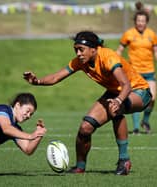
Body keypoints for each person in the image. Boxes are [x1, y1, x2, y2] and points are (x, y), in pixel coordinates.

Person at [23, 31, 151, 175]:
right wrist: (37, 81)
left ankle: (124, 160)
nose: (78, 53)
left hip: (139, 91)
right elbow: (56, 77)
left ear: (93, 49)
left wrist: (118, 100)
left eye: (81, 49)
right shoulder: (80, 62)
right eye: (76, 50)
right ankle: (80, 167)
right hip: (115, 93)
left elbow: (126, 85)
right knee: (85, 127)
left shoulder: (109, 57)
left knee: (115, 108)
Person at [116, 1, 157, 134]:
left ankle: (145, 120)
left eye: (143, 21)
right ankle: (135, 128)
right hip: (135, 73)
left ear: (146, 22)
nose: (140, 23)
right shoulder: (128, 34)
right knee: (136, 99)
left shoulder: (152, 35)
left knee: (152, 98)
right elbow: (119, 50)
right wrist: (115, 64)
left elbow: (156, 51)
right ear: (135, 21)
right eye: (138, 20)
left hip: (149, 71)